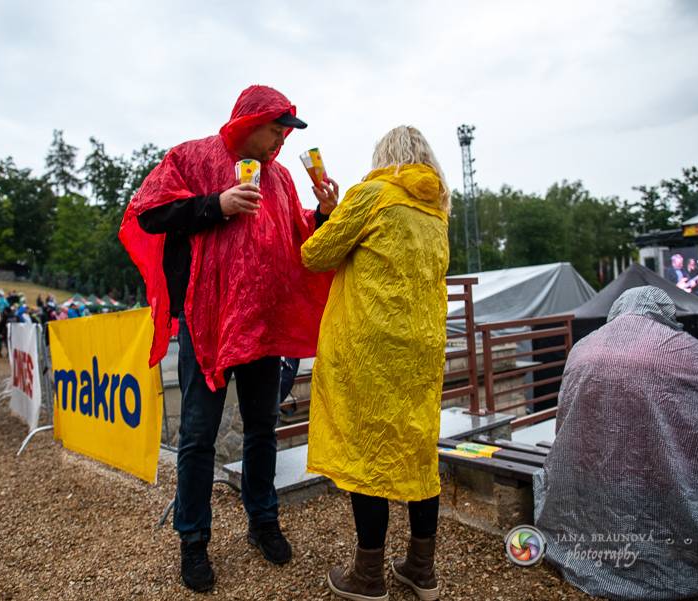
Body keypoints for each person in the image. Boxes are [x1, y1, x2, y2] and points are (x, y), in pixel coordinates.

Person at [120, 84, 337, 593]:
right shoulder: (191, 157)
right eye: (276, 129)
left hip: (263, 322)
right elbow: (148, 213)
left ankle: (263, 521)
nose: (280, 140)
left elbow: (297, 237)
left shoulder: (281, 178)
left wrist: (324, 214)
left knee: (262, 427)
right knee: (198, 435)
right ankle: (193, 540)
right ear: (249, 122)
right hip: (208, 322)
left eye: (286, 132)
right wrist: (215, 204)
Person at [301, 126, 450, 601]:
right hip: (423, 350)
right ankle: (421, 572)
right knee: (418, 453)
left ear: (385, 156)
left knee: (370, 456)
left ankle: (368, 578)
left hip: (372, 349)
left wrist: (333, 209)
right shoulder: (437, 209)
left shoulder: (372, 195)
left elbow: (315, 255)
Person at [534, 286, 698, 600]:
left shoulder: (583, 347)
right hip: (659, 484)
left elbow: (563, 422)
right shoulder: (680, 348)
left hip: (593, 486)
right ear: (664, 313)